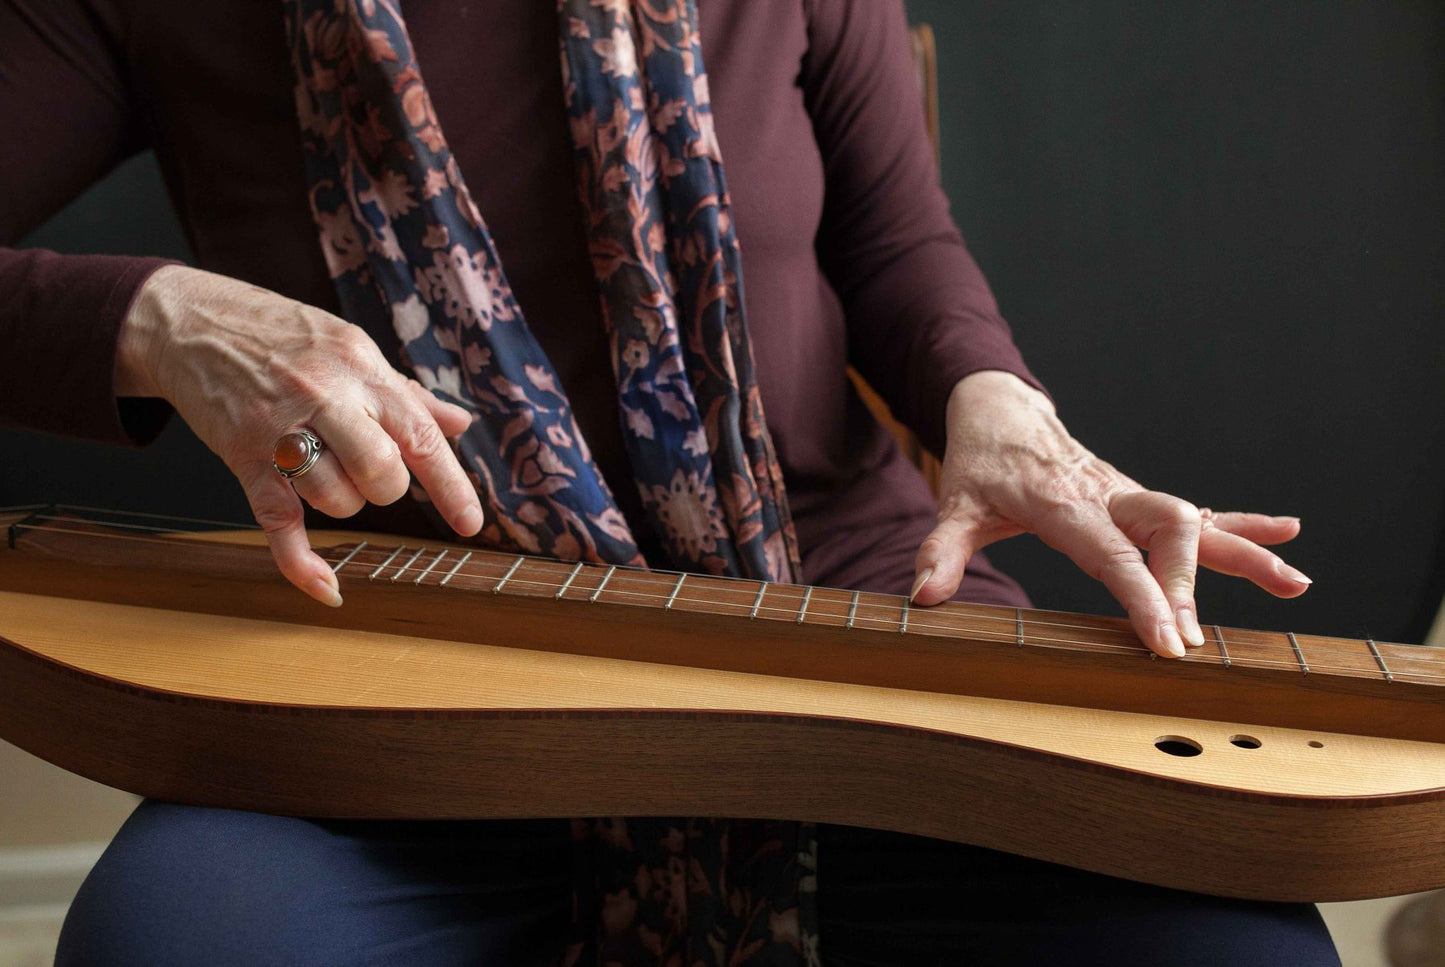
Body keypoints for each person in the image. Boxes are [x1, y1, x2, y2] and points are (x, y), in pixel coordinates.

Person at [0, 0, 1337, 964]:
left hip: (853, 628)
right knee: (170, 942)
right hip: (415, 666)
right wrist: (156, 322)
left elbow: (895, 242)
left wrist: (995, 403)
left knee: (1230, 947)